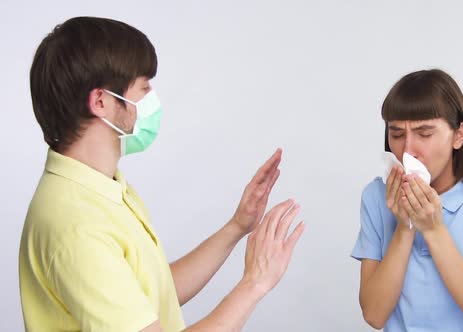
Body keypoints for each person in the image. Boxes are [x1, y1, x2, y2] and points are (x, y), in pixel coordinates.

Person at [19, 16, 305, 332]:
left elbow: (151, 296)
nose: (152, 97)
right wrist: (255, 283)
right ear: (101, 101)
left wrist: (237, 226)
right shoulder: (75, 226)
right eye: (143, 87)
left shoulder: (101, 187)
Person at [351, 69, 463, 331]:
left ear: (458, 136)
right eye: (396, 134)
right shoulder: (376, 198)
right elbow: (374, 314)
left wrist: (432, 228)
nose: (408, 150)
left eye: (424, 134)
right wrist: (404, 227)